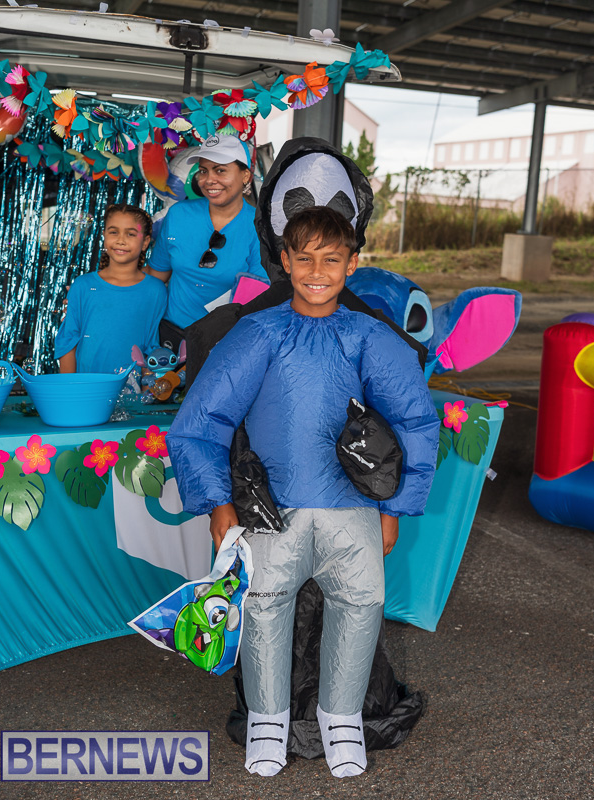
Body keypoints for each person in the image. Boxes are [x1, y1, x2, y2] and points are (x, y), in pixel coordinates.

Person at [167, 206, 440, 779]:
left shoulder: (368, 335)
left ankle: (341, 718)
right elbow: (202, 420)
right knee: (265, 607)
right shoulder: (259, 332)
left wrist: (395, 507)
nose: (318, 270)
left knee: (361, 606)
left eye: (332, 259)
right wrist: (218, 504)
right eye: (306, 258)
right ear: (286, 261)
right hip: (276, 511)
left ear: (352, 264)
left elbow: (414, 418)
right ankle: (268, 720)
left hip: (354, 509)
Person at [146, 134, 267, 349]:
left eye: (220, 170)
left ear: (246, 175)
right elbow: (154, 277)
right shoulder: (178, 215)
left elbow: (258, 298)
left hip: (224, 343)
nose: (209, 179)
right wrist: (106, 289)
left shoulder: (259, 227)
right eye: (203, 170)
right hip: (170, 338)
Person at [55, 204, 166, 374]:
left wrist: (146, 395)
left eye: (130, 234)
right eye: (114, 232)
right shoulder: (83, 286)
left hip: (132, 394)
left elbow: (151, 347)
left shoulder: (155, 290)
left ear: (145, 242)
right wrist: (72, 390)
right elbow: (68, 342)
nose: (121, 240)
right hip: (87, 390)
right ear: (104, 236)